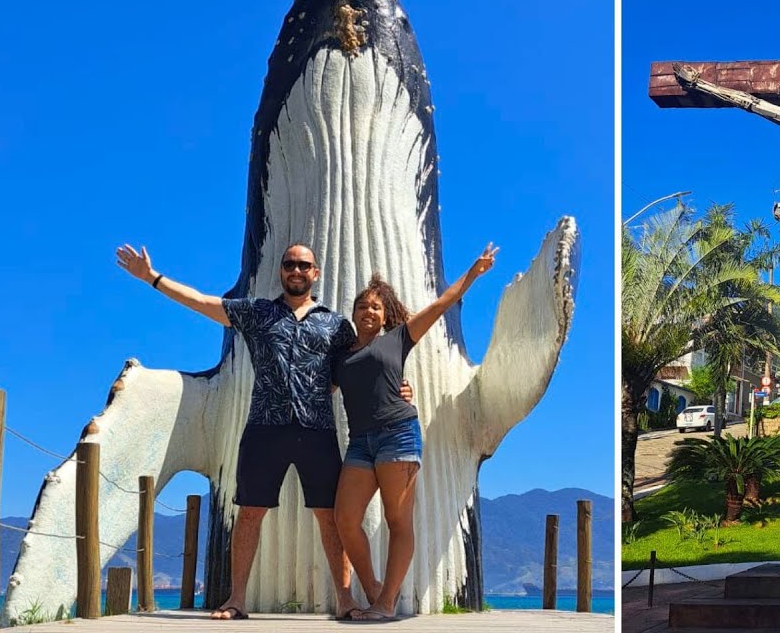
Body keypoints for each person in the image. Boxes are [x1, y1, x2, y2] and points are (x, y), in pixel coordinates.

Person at [115, 242, 411, 620]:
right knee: (250, 513)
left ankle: (345, 599)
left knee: (330, 516)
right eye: (290, 264)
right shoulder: (258, 312)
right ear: (282, 271)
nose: (296, 270)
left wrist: (400, 387)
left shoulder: (335, 324)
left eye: (304, 265)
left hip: (317, 429)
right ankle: (236, 598)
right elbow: (204, 303)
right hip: (264, 428)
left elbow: (361, 365)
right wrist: (153, 278)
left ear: (315, 273)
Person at [333, 243, 498, 621]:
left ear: (385, 313)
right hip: (359, 443)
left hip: (397, 435)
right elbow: (322, 388)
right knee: (345, 518)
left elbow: (441, 305)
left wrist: (474, 272)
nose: (368, 311)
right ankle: (375, 590)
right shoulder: (340, 356)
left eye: (375, 306)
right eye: (362, 305)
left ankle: (386, 604)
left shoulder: (398, 338)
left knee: (397, 520)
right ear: (354, 312)